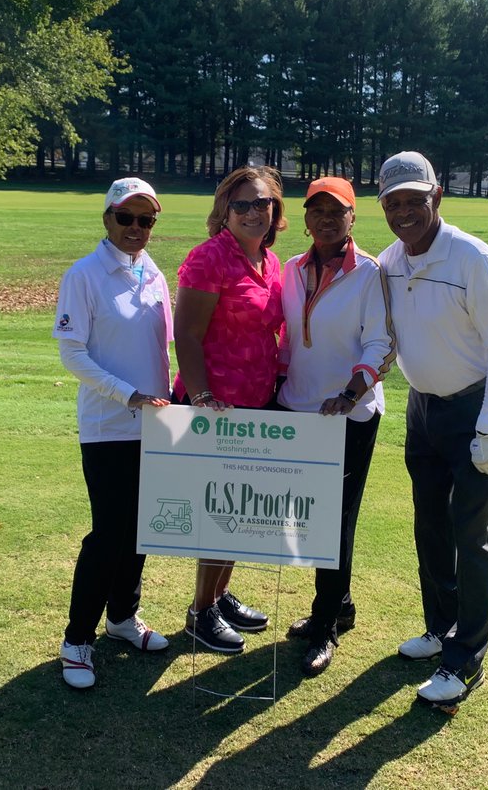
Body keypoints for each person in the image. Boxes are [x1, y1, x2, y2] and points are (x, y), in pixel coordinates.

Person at [376, 151, 488, 713]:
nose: (407, 211)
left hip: (478, 409)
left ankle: (466, 659)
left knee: (474, 533)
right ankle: (440, 627)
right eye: (396, 203)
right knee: (430, 525)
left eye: (417, 199)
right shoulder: (390, 260)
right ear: (383, 207)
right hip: (424, 408)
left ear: (437, 196)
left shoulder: (471, 257)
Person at [53, 177, 174, 690]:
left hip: (156, 424)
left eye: (146, 220)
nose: (136, 228)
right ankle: (77, 638)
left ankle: (123, 618)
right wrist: (128, 395)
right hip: (108, 427)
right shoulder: (83, 275)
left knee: (143, 529)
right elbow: (72, 354)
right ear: (107, 218)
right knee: (109, 534)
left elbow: (165, 349)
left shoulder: (155, 275)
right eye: (126, 218)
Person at [276, 176, 395, 677]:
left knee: (335, 523)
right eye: (316, 211)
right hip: (295, 411)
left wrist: (350, 394)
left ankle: (325, 624)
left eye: (336, 211)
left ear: (352, 218)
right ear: (305, 218)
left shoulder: (369, 273)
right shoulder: (289, 268)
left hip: (348, 416)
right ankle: (339, 604)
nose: (326, 219)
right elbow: (282, 338)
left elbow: (379, 345)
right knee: (303, 519)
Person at [173, 164, 287, 653]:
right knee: (220, 512)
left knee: (241, 510)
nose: (252, 212)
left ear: (275, 209)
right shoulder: (208, 259)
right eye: (241, 204)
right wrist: (200, 398)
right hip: (212, 406)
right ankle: (200, 612)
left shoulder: (271, 261)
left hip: (257, 404)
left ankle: (218, 595)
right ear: (224, 211)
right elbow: (187, 335)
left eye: (262, 202)